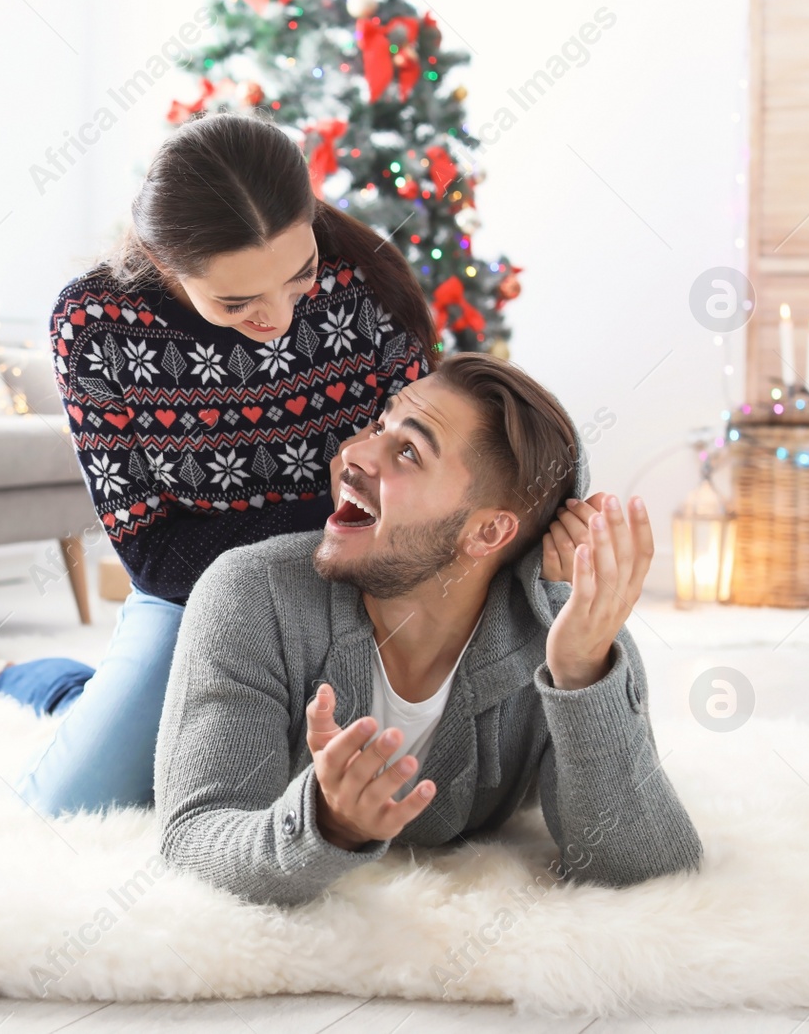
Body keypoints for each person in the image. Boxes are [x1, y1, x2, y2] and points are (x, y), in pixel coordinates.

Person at [0, 109, 435, 816]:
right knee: (75, 804)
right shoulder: (94, 324)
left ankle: (120, 697)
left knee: (366, 784)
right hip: (192, 596)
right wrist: (318, 525)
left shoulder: (370, 284)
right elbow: (150, 548)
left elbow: (417, 492)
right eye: (237, 300)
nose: (278, 317)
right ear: (166, 264)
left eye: (299, 274)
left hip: (359, 582)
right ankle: (43, 683)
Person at [153, 353, 704, 907]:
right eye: (378, 426)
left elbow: (648, 871)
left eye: (408, 452)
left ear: (488, 531)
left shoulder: (565, 635)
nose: (353, 455)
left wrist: (583, 673)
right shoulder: (250, 595)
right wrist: (328, 823)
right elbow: (190, 840)